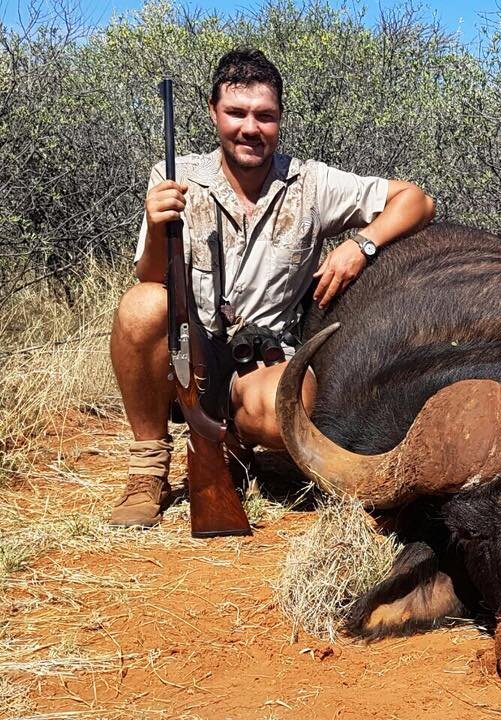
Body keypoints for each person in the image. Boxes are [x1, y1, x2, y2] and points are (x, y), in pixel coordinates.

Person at [109, 48, 435, 527]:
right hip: (188, 352)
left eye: (265, 116)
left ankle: (232, 443)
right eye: (236, 113)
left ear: (279, 119)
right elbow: (152, 277)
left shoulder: (310, 182)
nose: (250, 128)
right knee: (141, 307)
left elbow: (417, 200)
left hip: (260, 357)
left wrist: (360, 245)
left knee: (291, 404)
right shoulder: (174, 176)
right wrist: (158, 223)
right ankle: (148, 467)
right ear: (212, 111)